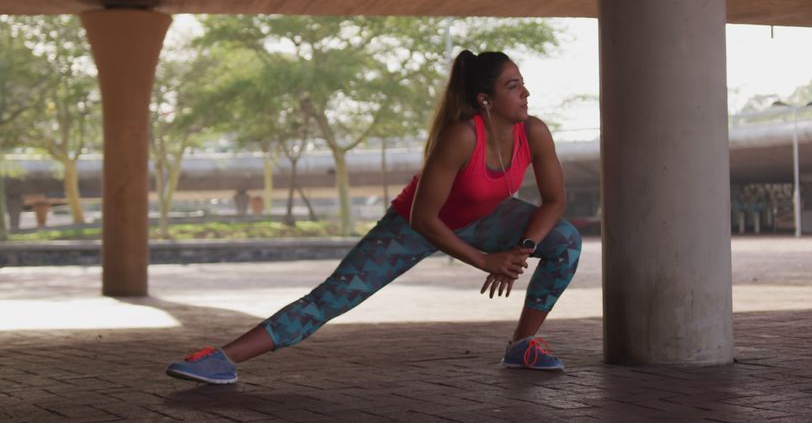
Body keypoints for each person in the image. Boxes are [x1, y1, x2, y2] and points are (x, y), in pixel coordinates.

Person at [166, 50, 582, 384]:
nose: (525, 93)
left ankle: (522, 345)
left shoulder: (534, 131)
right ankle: (219, 359)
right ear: (485, 100)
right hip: (414, 225)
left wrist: (522, 250)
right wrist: (485, 260)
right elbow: (424, 218)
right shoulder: (461, 136)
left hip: (489, 217)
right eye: (513, 86)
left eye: (523, 83)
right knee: (333, 297)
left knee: (565, 240)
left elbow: (554, 201)